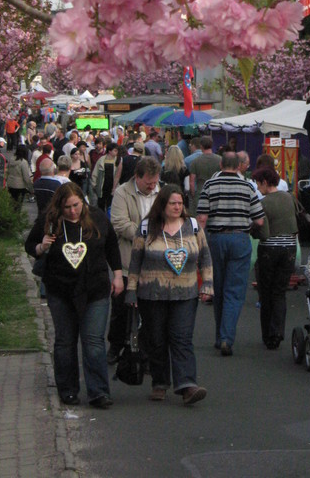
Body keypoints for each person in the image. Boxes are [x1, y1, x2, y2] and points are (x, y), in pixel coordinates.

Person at [25, 182, 123, 409]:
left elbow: (111, 247)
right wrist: (42, 247)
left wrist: (117, 276)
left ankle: (98, 392)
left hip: (95, 288)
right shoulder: (49, 221)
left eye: (76, 205)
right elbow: (30, 245)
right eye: (67, 207)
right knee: (65, 341)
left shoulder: (97, 217)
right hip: (60, 289)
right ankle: (68, 390)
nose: (73, 211)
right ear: (59, 206)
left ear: (83, 201)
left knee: (93, 342)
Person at [125, 185, 213, 405]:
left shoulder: (193, 227)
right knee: (156, 339)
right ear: (162, 205)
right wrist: (131, 291)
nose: (177, 207)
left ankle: (187, 386)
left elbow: (205, 258)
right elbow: (135, 262)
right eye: (172, 203)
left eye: (180, 203)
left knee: (182, 339)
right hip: (152, 294)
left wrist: (208, 285)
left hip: (186, 294)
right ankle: (160, 382)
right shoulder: (146, 228)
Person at [197, 150, 265, 356]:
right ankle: (226, 337)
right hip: (240, 238)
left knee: (217, 287)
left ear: (220, 165)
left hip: (216, 239)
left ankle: (220, 336)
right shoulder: (247, 186)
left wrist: (200, 243)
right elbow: (259, 219)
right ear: (238, 167)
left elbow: (201, 218)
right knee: (234, 291)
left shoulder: (209, 185)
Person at [107, 156, 161, 363]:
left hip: (155, 264)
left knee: (151, 312)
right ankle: (116, 345)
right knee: (121, 309)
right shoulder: (123, 192)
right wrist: (145, 236)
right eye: (148, 183)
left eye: (155, 182)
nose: (152, 186)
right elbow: (119, 223)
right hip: (129, 260)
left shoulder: (161, 193)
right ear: (137, 177)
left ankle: (146, 351)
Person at [253, 167, 298, 350]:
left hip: (269, 249)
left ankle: (268, 335)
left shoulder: (263, 203)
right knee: (279, 291)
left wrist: (252, 230)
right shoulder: (289, 198)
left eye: (258, 183)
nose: (257, 186)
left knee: (266, 292)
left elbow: (261, 230)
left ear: (264, 182)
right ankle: (278, 330)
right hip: (289, 248)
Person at [189, 136, 221, 210]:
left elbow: (192, 182)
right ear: (212, 145)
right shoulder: (220, 160)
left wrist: (193, 194)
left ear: (201, 146)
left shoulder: (195, 161)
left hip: (201, 193)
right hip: (216, 192)